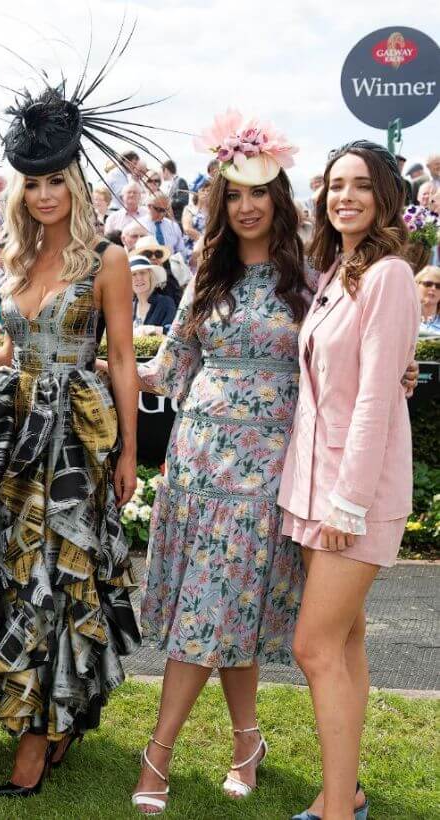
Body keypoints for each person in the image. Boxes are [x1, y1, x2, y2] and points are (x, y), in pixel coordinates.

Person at [0, 79, 142, 799]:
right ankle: (52, 714)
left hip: (75, 444)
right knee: (16, 571)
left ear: (75, 183)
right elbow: (6, 354)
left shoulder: (106, 259)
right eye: (32, 183)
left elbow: (123, 360)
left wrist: (130, 452)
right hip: (14, 441)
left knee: (59, 576)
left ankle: (36, 743)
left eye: (55, 182)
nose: (44, 195)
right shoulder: (12, 259)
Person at [131, 112, 309, 814]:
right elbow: (172, 361)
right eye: (233, 193)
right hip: (197, 460)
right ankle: (247, 743)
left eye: (258, 192)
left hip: (263, 470)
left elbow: (338, 360)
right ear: (219, 202)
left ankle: (158, 754)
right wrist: (110, 359)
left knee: (213, 608)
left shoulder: (308, 276)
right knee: (224, 610)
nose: (246, 205)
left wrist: (397, 375)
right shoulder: (209, 269)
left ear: (279, 198)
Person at [280, 141, 420, 820]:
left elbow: (371, 398)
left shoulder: (389, 273)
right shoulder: (340, 269)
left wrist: (348, 502)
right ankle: (347, 793)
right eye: (336, 185)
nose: (346, 197)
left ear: (385, 196)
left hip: (349, 497)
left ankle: (338, 813)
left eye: (361, 186)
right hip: (316, 491)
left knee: (314, 647)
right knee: (344, 643)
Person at [129, 255, 176, 335]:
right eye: (134, 274)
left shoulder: (165, 303)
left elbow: (175, 333)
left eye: (142, 273)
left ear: (150, 276)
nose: (139, 278)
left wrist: (152, 329)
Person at [142, 192, 186, 256]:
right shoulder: (139, 225)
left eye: (165, 210)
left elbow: (181, 250)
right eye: (159, 210)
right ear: (149, 206)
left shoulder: (173, 226)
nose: (162, 214)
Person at [415, 265, 440, 335]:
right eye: (428, 284)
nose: (433, 288)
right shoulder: (402, 319)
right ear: (416, 285)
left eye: (438, 286)